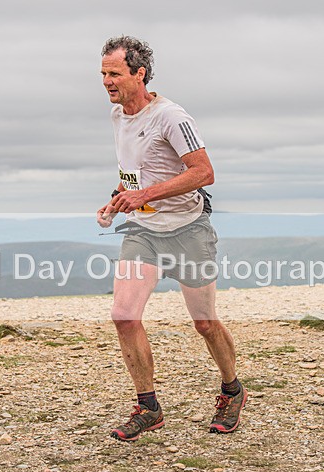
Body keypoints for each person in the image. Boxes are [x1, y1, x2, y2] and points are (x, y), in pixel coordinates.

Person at [97, 35, 246, 441]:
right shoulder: (118, 117)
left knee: (204, 322)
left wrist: (143, 194)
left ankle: (232, 390)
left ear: (139, 73)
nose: (107, 81)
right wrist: (118, 199)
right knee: (124, 315)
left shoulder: (172, 117)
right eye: (103, 74)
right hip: (144, 231)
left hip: (188, 230)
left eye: (114, 73)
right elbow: (136, 175)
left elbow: (203, 173)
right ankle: (148, 407)